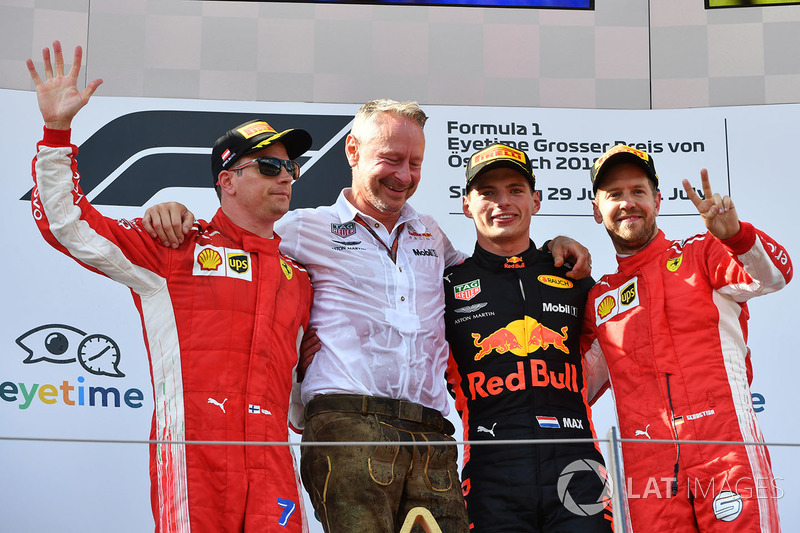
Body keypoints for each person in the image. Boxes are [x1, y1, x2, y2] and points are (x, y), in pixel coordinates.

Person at [144, 100, 591, 532]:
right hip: (348, 425)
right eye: (392, 159)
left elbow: (488, 273)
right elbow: (238, 248)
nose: (404, 175)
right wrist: (177, 215)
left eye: (414, 163)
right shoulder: (303, 228)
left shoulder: (431, 234)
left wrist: (551, 247)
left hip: (430, 433)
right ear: (353, 152)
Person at [27, 42, 314, 532]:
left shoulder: (299, 276)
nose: (285, 177)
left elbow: (302, 394)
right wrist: (57, 134)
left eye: (291, 168)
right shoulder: (174, 247)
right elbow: (67, 223)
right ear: (227, 179)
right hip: (194, 460)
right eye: (269, 167)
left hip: (273, 469)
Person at [580, 144, 792, 531]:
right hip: (648, 474)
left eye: (638, 192)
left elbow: (773, 276)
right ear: (597, 210)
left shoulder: (704, 252)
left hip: (725, 452)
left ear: (657, 201)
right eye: (614, 195)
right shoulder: (598, 300)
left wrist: (738, 236)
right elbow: (574, 385)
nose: (628, 203)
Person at [443, 143, 612, 532]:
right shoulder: (448, 285)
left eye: (515, 190)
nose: (503, 202)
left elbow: (611, 354)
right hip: (491, 469)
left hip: (577, 463)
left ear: (535, 200)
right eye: (488, 192)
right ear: (467, 205)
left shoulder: (574, 277)